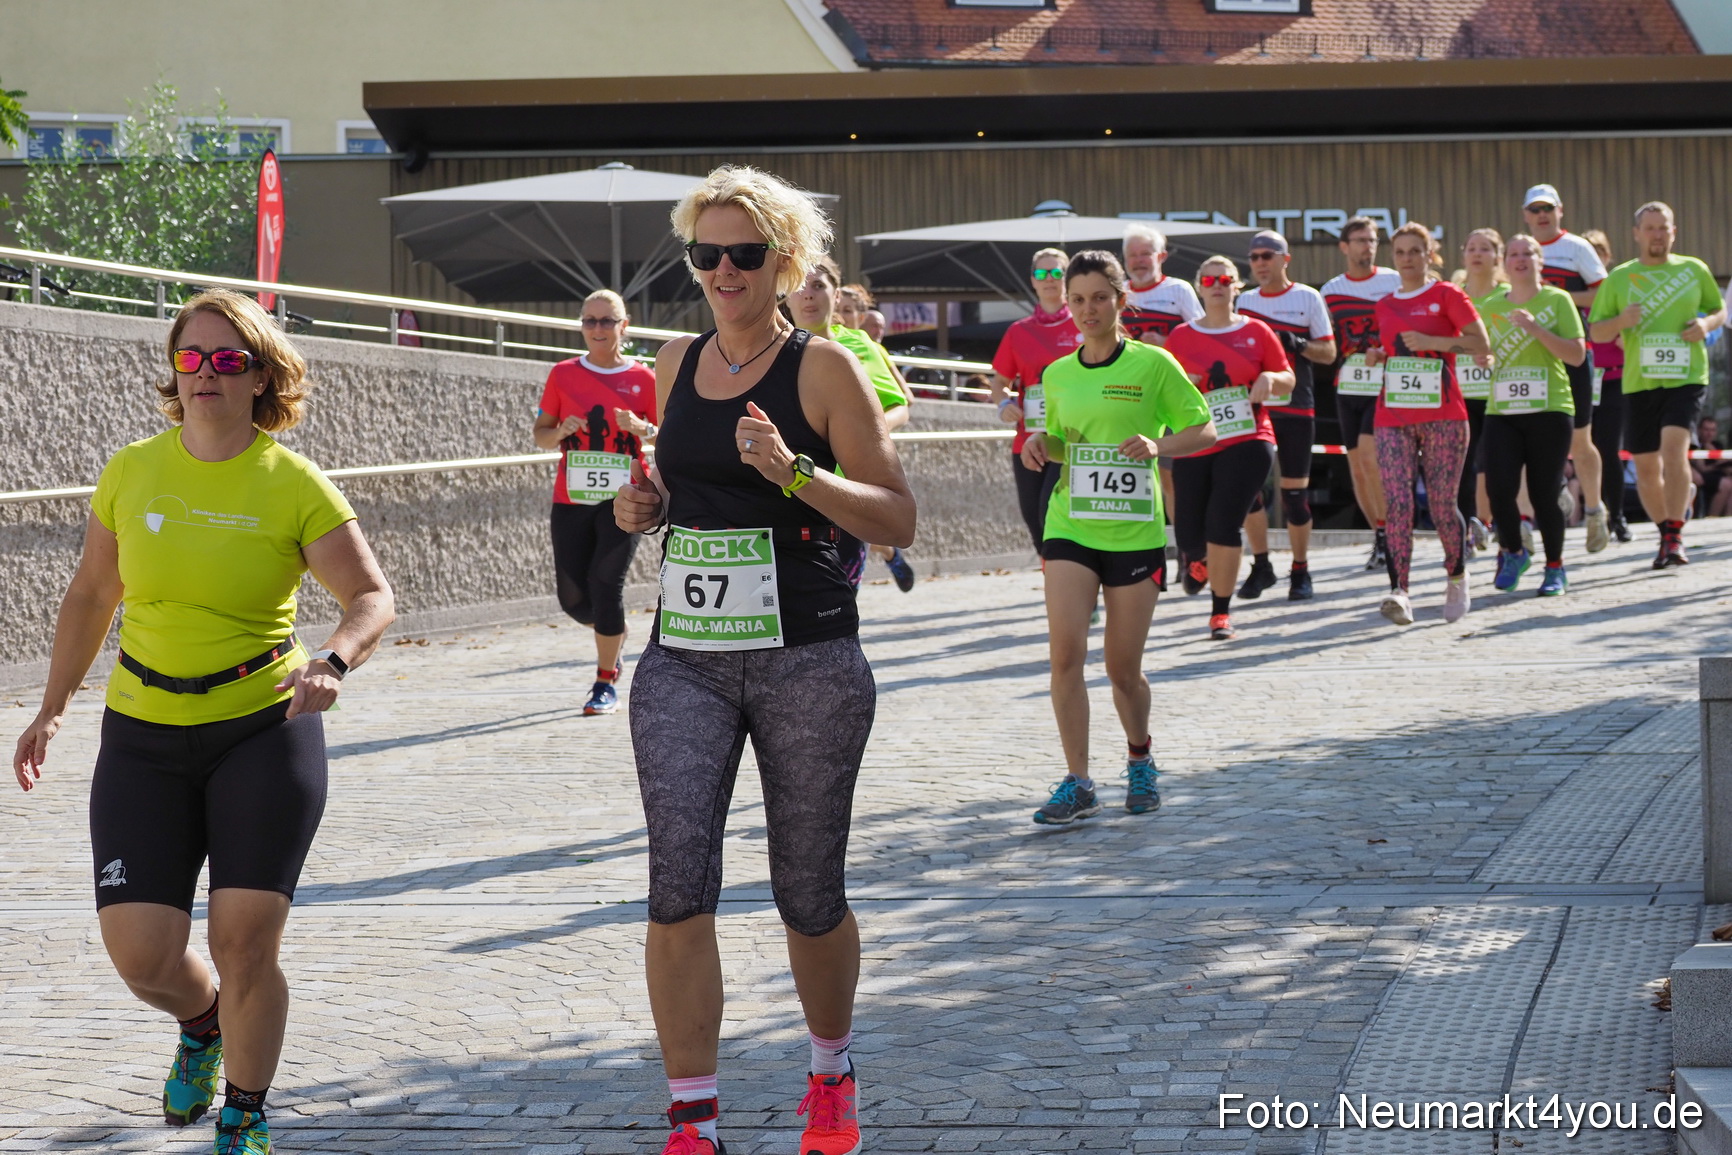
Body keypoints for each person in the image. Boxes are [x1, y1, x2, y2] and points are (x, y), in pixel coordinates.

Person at [12, 289, 395, 1154]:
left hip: (265, 722)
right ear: (174, 369)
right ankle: (203, 1022)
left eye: (229, 360)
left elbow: (371, 595)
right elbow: (91, 593)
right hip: (142, 731)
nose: (208, 374)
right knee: (142, 953)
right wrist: (52, 708)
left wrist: (333, 660)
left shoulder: (293, 483)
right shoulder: (131, 470)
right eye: (193, 357)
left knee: (244, 938)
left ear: (262, 377)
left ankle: (246, 1112)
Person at [613, 165, 916, 1155]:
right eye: (706, 254)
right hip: (686, 659)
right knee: (676, 879)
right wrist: (642, 507)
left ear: (784, 263)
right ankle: (691, 1117)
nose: (723, 270)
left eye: (745, 254)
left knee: (807, 889)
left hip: (807, 659)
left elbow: (897, 516)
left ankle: (830, 1070)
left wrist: (796, 472)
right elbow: (673, 483)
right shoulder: (670, 363)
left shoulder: (823, 368)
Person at [1018, 250, 1214, 822]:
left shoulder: (1154, 365)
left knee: (1122, 670)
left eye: (1099, 297)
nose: (1087, 309)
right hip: (1070, 525)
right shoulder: (1057, 373)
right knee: (1064, 657)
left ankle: (1140, 758)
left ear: (1121, 300)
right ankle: (1077, 780)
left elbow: (1203, 426)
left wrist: (1160, 445)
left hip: (1133, 532)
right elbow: (1063, 441)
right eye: (1077, 299)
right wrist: (1040, 445)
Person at [532, 288, 658, 715]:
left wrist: (643, 427)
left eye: (607, 321)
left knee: (607, 584)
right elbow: (541, 434)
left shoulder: (644, 379)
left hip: (625, 495)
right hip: (572, 496)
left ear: (625, 326)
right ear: (582, 326)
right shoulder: (563, 374)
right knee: (573, 599)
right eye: (590, 321)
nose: (598, 329)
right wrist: (560, 430)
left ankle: (604, 680)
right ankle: (613, 632)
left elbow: (666, 432)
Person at [1362, 222, 1489, 625]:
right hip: (1394, 414)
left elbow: (1480, 344)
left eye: (1416, 251)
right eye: (1400, 252)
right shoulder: (1384, 305)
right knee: (1398, 502)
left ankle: (1456, 574)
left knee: (1440, 504)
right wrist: (1379, 356)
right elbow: (1396, 347)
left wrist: (1435, 343)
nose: (1407, 259)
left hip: (1444, 415)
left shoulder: (1447, 295)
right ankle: (1400, 591)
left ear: (1430, 254)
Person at [1588, 201, 1727, 568]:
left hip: (1686, 376)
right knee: (1647, 467)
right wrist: (1621, 319)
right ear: (1637, 234)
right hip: (1639, 382)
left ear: (1673, 232)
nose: (1657, 235)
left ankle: (1677, 533)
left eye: (1663, 228)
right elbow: (1597, 331)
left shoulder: (1694, 269)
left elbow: (1719, 309)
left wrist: (1706, 326)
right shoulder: (1620, 277)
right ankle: (1665, 532)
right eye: (1650, 228)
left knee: (1674, 449)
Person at [1164, 256, 1293, 639]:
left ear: (1237, 286)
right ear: (1199, 286)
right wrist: (1182, 383)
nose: (1217, 285)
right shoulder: (1181, 338)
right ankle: (1195, 560)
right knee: (1188, 533)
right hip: (1195, 441)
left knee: (1223, 522)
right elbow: (1161, 389)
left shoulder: (1258, 331)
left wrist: (1270, 377)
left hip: (1248, 437)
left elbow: (1288, 377)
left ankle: (1220, 613)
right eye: (1210, 279)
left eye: (1225, 279)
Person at [788, 256, 919, 592]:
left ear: (835, 294)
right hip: (786, 495)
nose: (809, 295)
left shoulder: (860, 346)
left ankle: (889, 557)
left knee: (839, 598)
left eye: (819, 286)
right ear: (785, 294)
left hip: (847, 492)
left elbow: (899, 406)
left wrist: (859, 437)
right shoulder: (770, 349)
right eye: (800, 286)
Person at [1477, 234, 1587, 595]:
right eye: (1514, 254)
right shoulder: (1491, 306)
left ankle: (1555, 567)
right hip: (1503, 410)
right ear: (1505, 263)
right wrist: (1483, 357)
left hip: (1550, 408)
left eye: (1528, 253)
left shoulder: (1557, 300)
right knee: (1498, 488)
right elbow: (1485, 350)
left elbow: (1576, 355)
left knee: (1543, 494)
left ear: (1541, 261)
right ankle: (1514, 551)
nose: (1521, 259)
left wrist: (1535, 329)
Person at [1233, 230, 1335, 601]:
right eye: (1254, 257)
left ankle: (1300, 570)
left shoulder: (1307, 297)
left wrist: (1299, 344)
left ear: (1285, 259)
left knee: (1294, 495)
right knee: (1248, 493)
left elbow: (1329, 352)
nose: (1260, 263)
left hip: (1295, 403)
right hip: (1251, 407)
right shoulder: (1242, 301)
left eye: (1267, 256)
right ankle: (1261, 566)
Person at [1523, 184, 1613, 552]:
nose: (1542, 215)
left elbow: (1604, 293)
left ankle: (1594, 510)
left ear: (1561, 211)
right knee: (1530, 441)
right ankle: (1530, 519)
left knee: (1580, 437)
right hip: (1529, 357)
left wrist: (1560, 298)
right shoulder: (1520, 250)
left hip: (1575, 351)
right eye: (1535, 209)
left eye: (1548, 208)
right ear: (1525, 216)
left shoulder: (1576, 247)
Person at [987, 247, 1082, 555]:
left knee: (1051, 510)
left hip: (1071, 438)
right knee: (1033, 518)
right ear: (1033, 280)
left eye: (1057, 272)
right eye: (1043, 273)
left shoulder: (1083, 324)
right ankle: (1057, 579)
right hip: (1028, 438)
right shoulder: (1019, 331)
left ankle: (1072, 582)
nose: (1050, 279)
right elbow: (999, 382)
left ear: (1067, 278)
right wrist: (1004, 405)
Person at [1321, 217, 1401, 572]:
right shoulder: (1330, 290)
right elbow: (1326, 342)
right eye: (1359, 241)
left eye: (1371, 240)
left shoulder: (1393, 282)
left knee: (1371, 458)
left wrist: (1388, 350)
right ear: (1344, 247)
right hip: (1347, 384)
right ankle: (1380, 536)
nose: (1366, 247)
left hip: (1386, 382)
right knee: (1356, 467)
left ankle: (1391, 536)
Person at [1120, 224, 1204, 538]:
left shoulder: (1179, 290)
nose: (1139, 261)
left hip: (1169, 395)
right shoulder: (1118, 293)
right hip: (1126, 396)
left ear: (1162, 256)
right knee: (1136, 471)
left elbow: (1202, 339)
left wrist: (1167, 341)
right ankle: (1141, 539)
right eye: (1133, 255)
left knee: (1172, 477)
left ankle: (1185, 545)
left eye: (1146, 254)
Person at [1453, 228, 1509, 550]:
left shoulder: (1509, 295)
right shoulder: (1452, 295)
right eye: (1471, 247)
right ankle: (1465, 530)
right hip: (1460, 395)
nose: (1477, 254)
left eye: (1485, 248)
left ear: (1497, 257)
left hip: (1499, 394)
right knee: (1462, 464)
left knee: (1497, 463)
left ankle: (1501, 523)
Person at [1581, 228, 1633, 540]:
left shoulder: (1618, 291)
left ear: (1607, 257)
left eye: (1598, 252)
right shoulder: (1570, 296)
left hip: (1613, 379)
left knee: (1608, 449)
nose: (1593, 258)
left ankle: (1618, 516)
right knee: (1576, 448)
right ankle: (1589, 512)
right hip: (1579, 379)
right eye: (1587, 253)